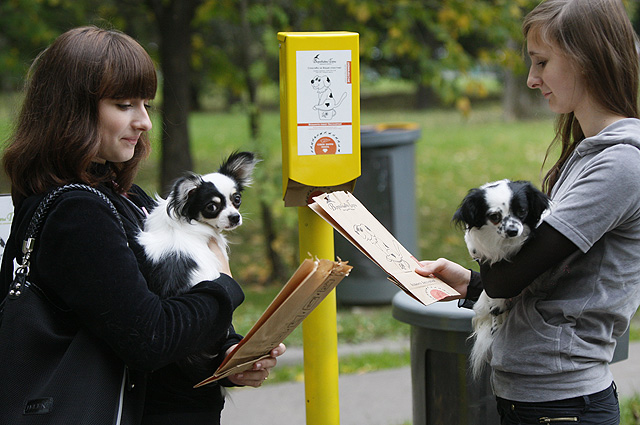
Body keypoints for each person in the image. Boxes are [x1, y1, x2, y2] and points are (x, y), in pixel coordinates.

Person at [0, 26, 284, 425]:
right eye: (124, 104)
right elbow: (150, 338)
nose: (145, 122)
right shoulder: (77, 214)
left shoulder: (126, 199)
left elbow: (159, 324)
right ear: (70, 109)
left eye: (146, 104)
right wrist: (223, 285)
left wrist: (224, 357)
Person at [416, 0, 640, 423]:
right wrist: (468, 283)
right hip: (538, 397)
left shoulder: (621, 164)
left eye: (541, 62)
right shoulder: (587, 155)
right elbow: (544, 281)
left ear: (587, 61)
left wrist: (484, 259)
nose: (532, 79)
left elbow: (513, 276)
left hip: (563, 404)